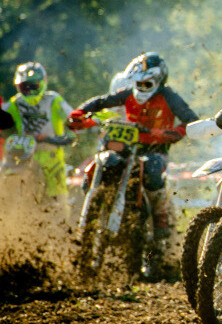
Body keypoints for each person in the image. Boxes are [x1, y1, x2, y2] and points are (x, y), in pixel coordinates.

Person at [71, 52, 197, 240]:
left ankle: (161, 219)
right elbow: (102, 101)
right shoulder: (128, 94)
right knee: (102, 163)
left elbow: (191, 120)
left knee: (152, 170)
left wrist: (174, 132)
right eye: (138, 83)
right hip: (126, 148)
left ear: (158, 81)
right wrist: (80, 113)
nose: (141, 88)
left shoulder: (169, 96)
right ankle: (90, 211)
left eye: (146, 84)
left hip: (154, 151)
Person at [3, 62, 75, 205]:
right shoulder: (14, 103)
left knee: (59, 201)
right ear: (18, 87)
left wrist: (75, 129)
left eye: (33, 86)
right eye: (25, 87)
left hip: (52, 157)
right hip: (22, 156)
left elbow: (73, 118)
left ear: (43, 83)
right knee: (9, 188)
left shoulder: (54, 100)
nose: (29, 91)